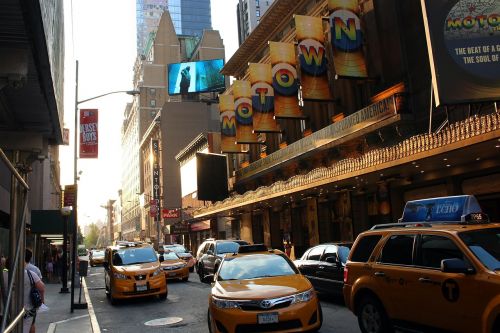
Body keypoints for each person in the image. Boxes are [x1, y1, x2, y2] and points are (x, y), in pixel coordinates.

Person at [24, 267, 45, 333]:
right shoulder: (30, 273)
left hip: (6, 310)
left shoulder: (3, 275)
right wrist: (42, 300)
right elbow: (42, 288)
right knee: (31, 325)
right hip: (28, 308)